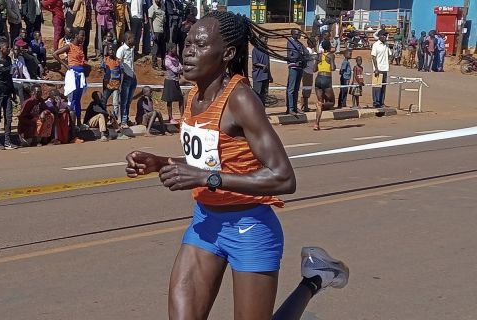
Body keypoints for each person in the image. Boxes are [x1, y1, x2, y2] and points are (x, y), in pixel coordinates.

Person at [125, 11, 349, 320]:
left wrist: (208, 178)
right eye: (188, 43)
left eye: (200, 45)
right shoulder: (193, 96)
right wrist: (159, 162)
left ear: (227, 54)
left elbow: (284, 178)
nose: (188, 51)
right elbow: (208, 162)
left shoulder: (241, 100)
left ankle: (315, 278)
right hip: (205, 224)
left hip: (250, 228)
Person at [53, 27, 88, 128]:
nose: (84, 38)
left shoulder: (81, 47)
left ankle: (79, 123)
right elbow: (55, 54)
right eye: (82, 35)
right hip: (73, 74)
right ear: (76, 36)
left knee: (78, 100)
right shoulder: (69, 46)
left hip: (81, 75)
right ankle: (68, 123)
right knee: (72, 99)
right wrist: (65, 65)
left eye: (84, 36)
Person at [0, 40, 17, 150]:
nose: (8, 49)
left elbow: (10, 77)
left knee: (8, 118)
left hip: (7, 93)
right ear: (0, 49)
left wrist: (13, 92)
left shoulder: (9, 60)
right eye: (6, 47)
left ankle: (7, 141)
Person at [313, 40, 335, 131]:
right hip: (326, 79)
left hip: (318, 78)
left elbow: (314, 69)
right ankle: (322, 105)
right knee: (332, 102)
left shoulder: (319, 55)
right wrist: (331, 61)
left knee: (319, 101)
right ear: (329, 47)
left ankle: (316, 124)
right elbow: (333, 68)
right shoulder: (330, 55)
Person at [116, 31, 136, 129]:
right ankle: (123, 121)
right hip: (125, 78)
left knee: (129, 100)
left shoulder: (132, 49)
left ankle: (126, 118)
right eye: (133, 38)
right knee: (124, 101)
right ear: (128, 39)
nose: (134, 40)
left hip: (132, 77)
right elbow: (118, 65)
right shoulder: (121, 50)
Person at [162, 42, 183, 124]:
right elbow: (176, 69)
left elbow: (180, 67)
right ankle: (170, 118)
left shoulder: (176, 58)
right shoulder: (167, 60)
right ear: (170, 49)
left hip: (176, 81)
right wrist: (180, 68)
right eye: (174, 48)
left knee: (180, 99)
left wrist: (180, 68)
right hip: (170, 81)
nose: (176, 49)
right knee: (169, 100)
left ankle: (182, 116)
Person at [286, 29, 305, 115]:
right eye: (298, 34)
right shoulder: (290, 42)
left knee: (296, 89)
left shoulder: (299, 43)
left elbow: (304, 52)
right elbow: (293, 54)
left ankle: (295, 107)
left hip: (299, 67)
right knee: (291, 89)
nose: (299, 35)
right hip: (293, 67)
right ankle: (290, 108)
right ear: (293, 34)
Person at [371, 30, 392, 108]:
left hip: (385, 69)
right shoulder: (375, 45)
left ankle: (381, 102)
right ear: (380, 36)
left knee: (383, 86)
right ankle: (376, 102)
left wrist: (388, 61)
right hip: (378, 69)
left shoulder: (386, 45)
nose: (385, 37)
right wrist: (376, 68)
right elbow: (373, 57)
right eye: (383, 35)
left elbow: (390, 54)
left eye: (386, 36)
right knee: (376, 87)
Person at [101, 44, 121, 121]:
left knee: (115, 103)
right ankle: (103, 116)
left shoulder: (118, 61)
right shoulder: (105, 60)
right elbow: (103, 71)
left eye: (113, 50)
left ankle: (115, 118)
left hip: (116, 85)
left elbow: (121, 73)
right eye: (109, 50)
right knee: (103, 100)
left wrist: (121, 84)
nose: (111, 51)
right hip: (108, 85)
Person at [252, 34, 272, 106]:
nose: (266, 40)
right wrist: (263, 66)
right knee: (257, 94)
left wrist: (270, 75)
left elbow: (268, 63)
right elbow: (255, 62)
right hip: (258, 76)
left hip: (265, 76)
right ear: (260, 39)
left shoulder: (266, 50)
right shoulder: (255, 49)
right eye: (265, 39)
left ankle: (263, 110)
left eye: (267, 39)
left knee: (264, 95)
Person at [148, 0, 165, 70]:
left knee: (163, 48)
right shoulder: (152, 8)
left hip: (162, 30)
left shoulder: (162, 8)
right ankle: (154, 64)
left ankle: (163, 64)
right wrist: (152, 33)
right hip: (156, 30)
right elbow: (150, 20)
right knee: (156, 47)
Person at [301, 38, 315, 112]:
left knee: (307, 89)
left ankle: (305, 106)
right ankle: (304, 106)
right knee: (306, 89)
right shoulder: (308, 51)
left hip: (308, 71)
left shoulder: (310, 51)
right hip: (307, 72)